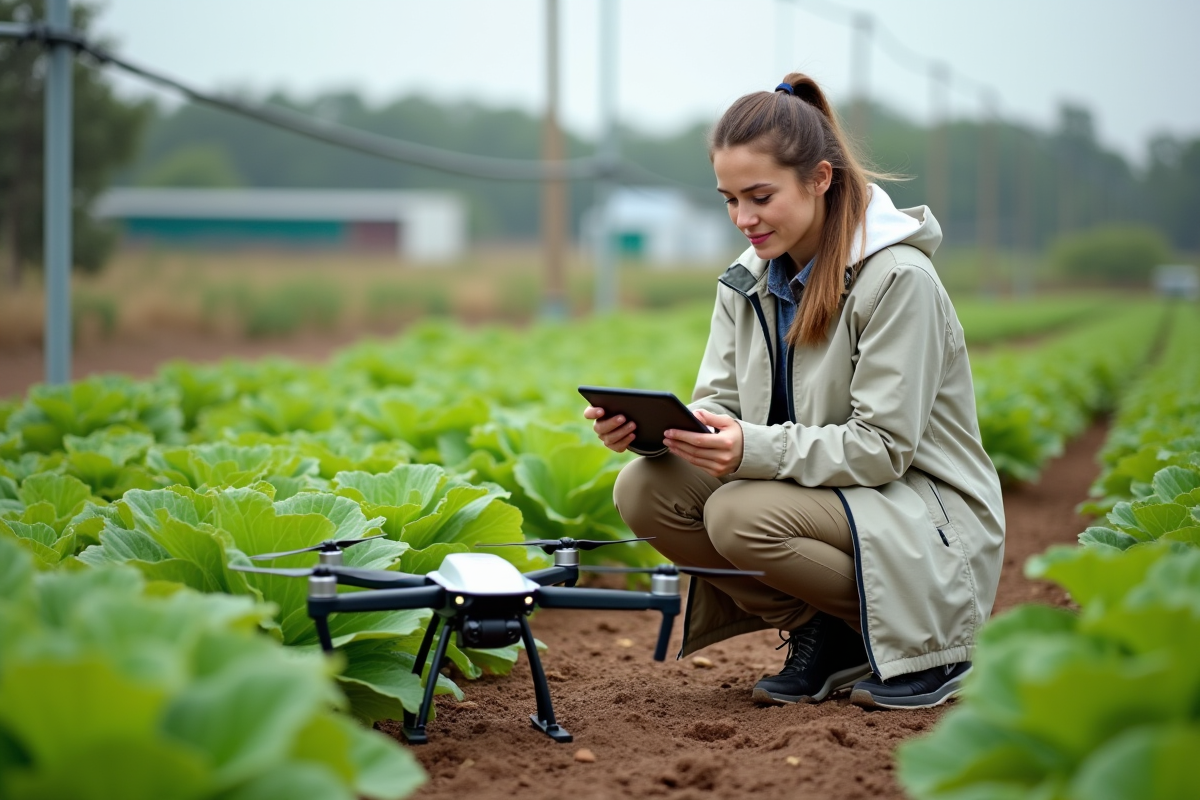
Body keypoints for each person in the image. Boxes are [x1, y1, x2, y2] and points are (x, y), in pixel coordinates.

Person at [584, 73, 1004, 710]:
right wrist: (665, 431)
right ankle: (826, 635)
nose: (743, 219)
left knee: (739, 514)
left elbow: (882, 448)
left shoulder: (899, 280)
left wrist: (750, 448)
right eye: (730, 199)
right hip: (826, 494)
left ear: (820, 179)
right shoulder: (746, 280)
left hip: (919, 510)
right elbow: (721, 402)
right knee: (645, 488)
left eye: (760, 196)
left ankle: (935, 642)